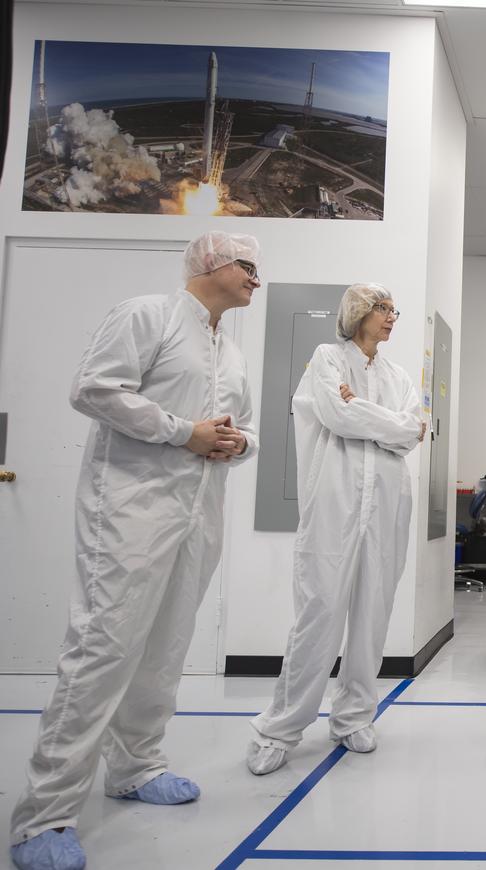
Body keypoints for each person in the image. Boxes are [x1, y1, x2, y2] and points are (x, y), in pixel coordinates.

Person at [10, 232, 260, 870]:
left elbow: (240, 424)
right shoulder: (146, 314)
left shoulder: (229, 349)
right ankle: (44, 815)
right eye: (248, 266)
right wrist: (183, 433)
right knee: (103, 648)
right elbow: (93, 389)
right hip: (129, 508)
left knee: (167, 644)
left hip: (199, 512)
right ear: (213, 264)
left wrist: (239, 443)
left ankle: (136, 765)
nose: (257, 278)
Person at [247, 284, 425, 776]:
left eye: (394, 309)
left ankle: (352, 718)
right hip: (334, 501)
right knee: (319, 613)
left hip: (388, 504)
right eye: (383, 309)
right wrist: (387, 422)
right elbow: (335, 414)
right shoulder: (327, 358)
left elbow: (412, 432)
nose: (392, 317)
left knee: (373, 613)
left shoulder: (398, 375)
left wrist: (372, 416)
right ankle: (279, 728)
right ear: (358, 313)